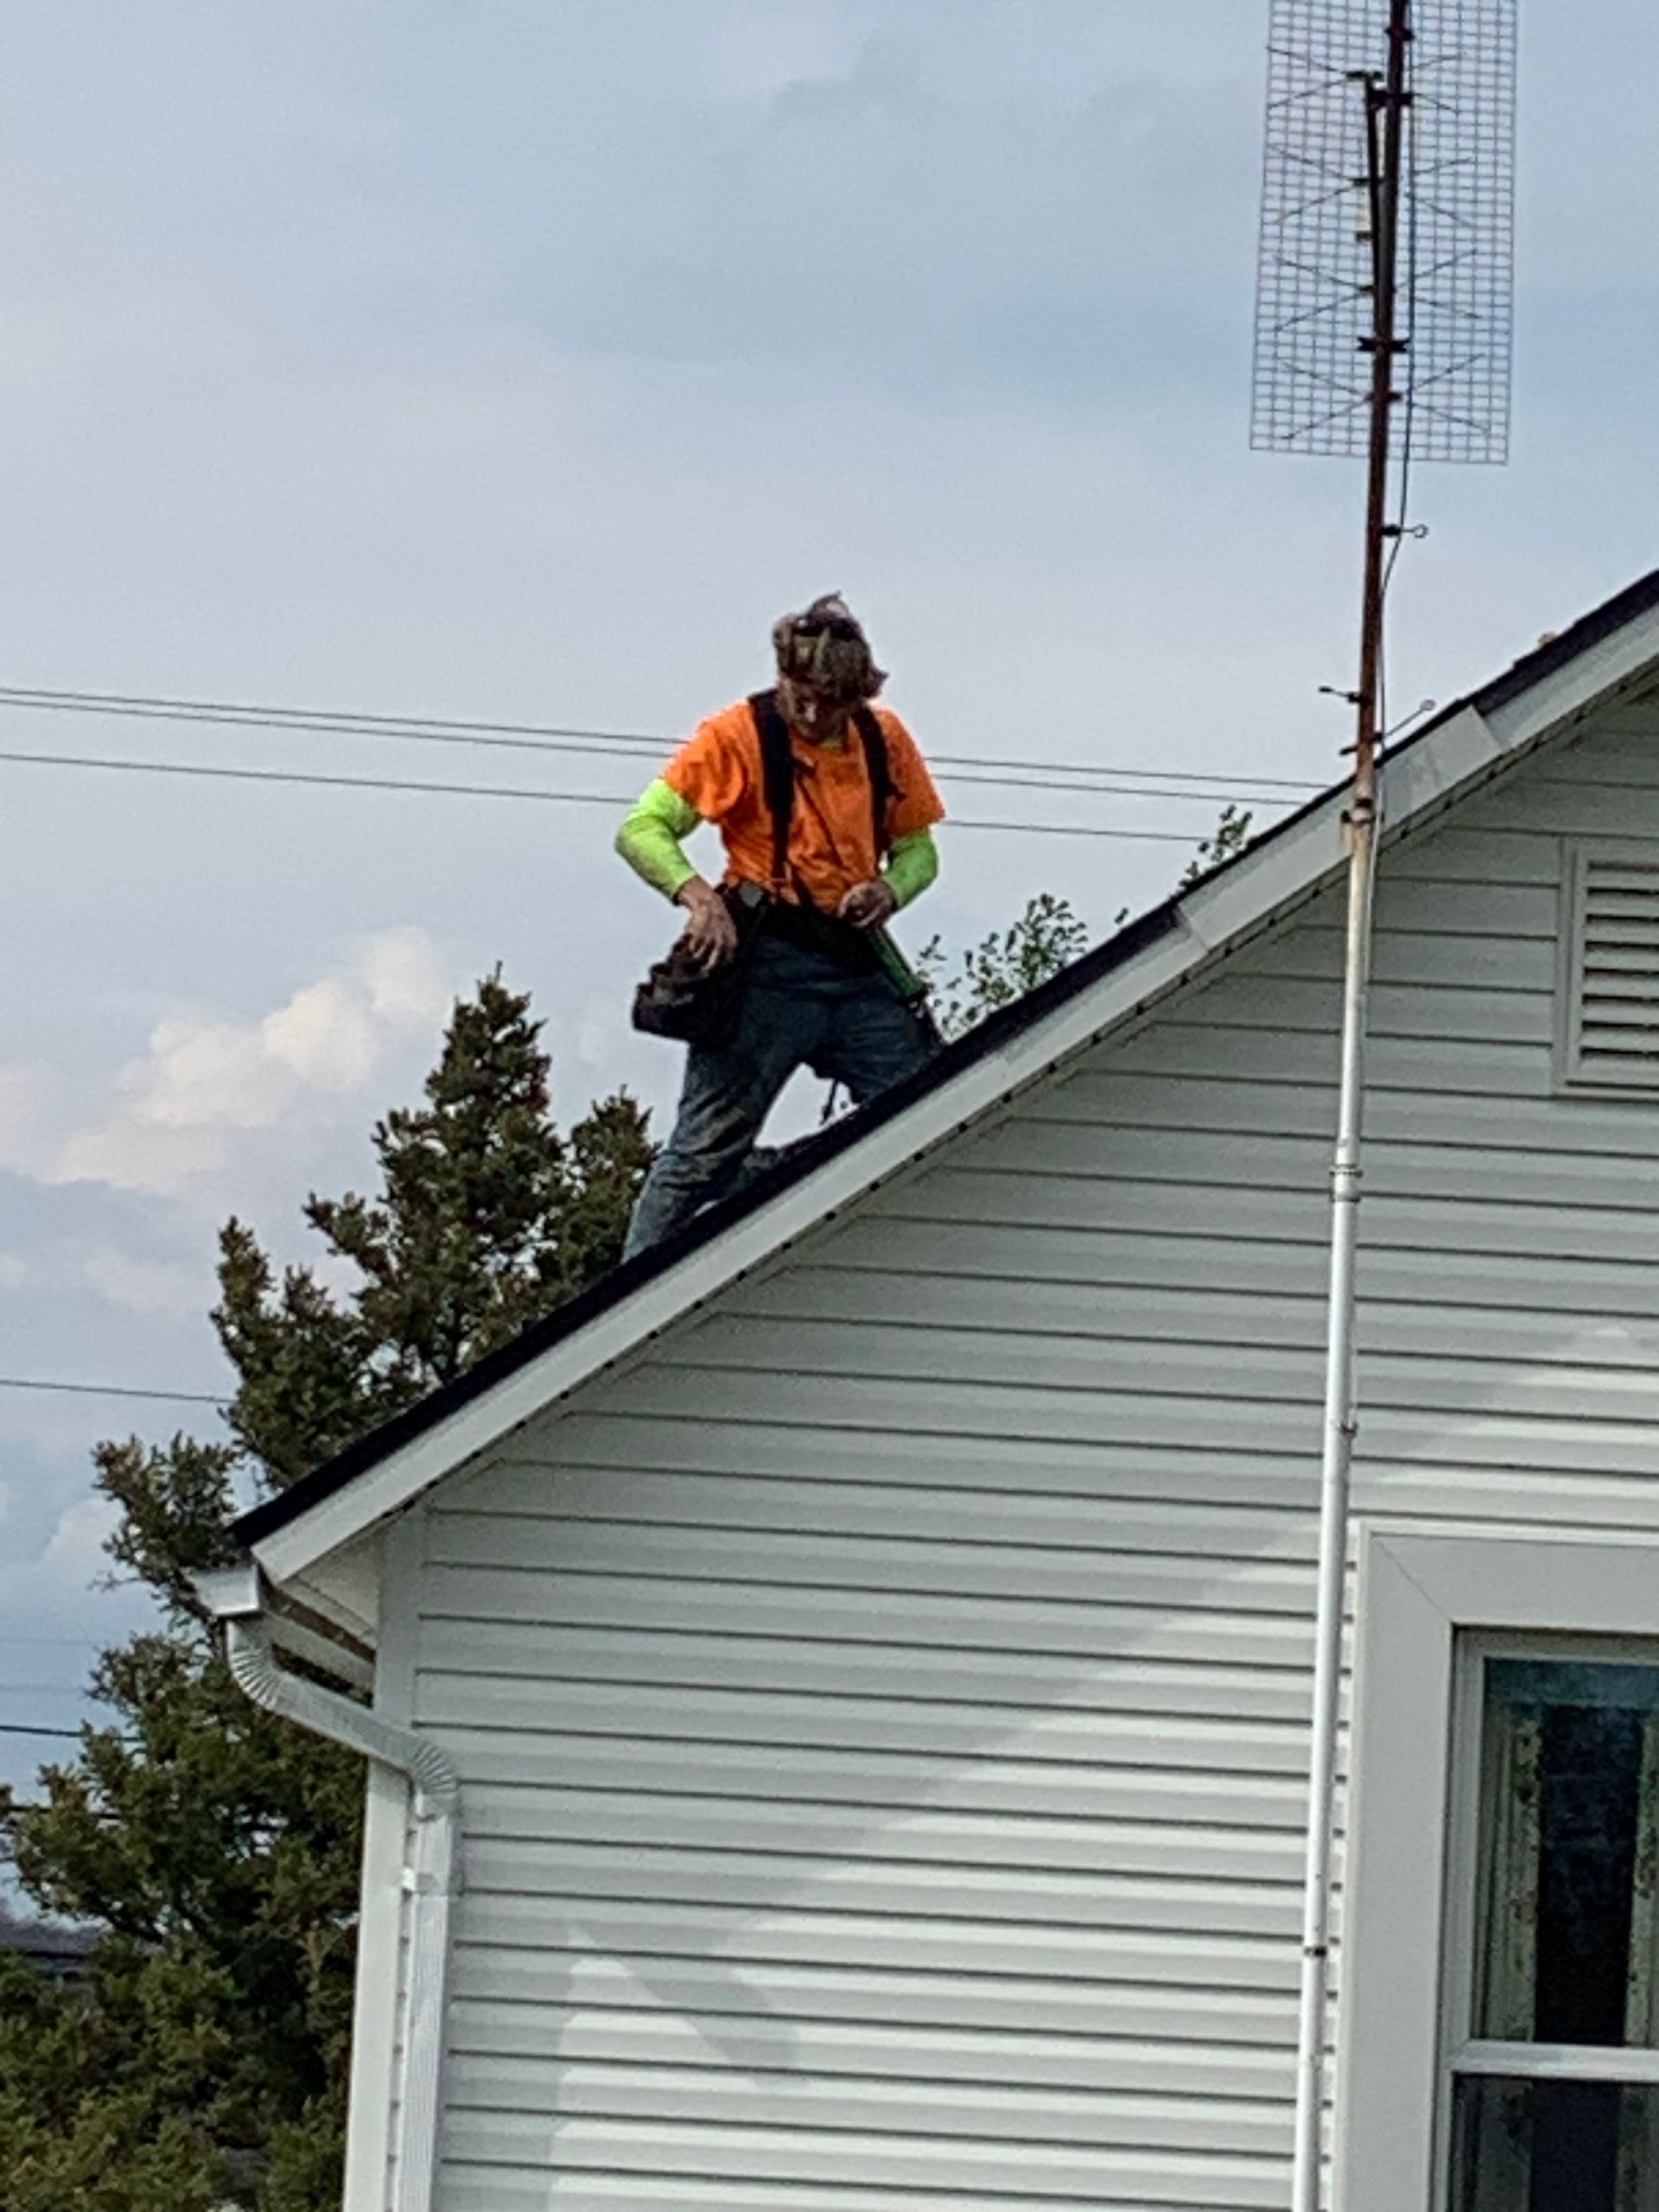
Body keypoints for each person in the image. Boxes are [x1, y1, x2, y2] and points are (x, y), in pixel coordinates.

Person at [616, 593, 945, 1257]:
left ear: (861, 693)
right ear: (782, 674)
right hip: (763, 967)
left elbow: (921, 853)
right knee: (700, 1156)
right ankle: (623, 1293)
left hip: (855, 966)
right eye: (803, 695)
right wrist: (699, 898)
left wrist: (888, 890)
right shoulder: (736, 736)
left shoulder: (884, 740)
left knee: (935, 1106)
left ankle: (781, 1172)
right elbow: (642, 829)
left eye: (834, 701)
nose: (815, 713)